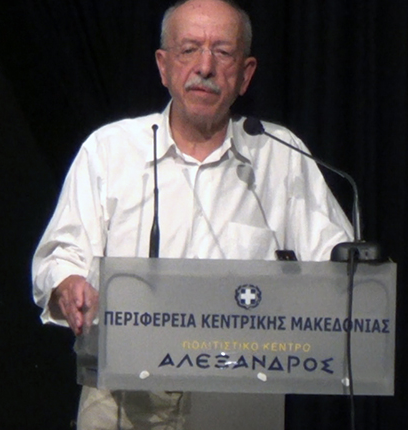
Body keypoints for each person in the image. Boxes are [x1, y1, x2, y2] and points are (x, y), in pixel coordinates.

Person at [32, 0, 353, 428]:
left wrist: (354, 271)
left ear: (246, 74)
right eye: (188, 50)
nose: (205, 67)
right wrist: (68, 285)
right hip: (121, 399)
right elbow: (59, 255)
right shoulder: (110, 150)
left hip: (239, 399)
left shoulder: (279, 155)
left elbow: (336, 266)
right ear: (163, 66)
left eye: (223, 52)